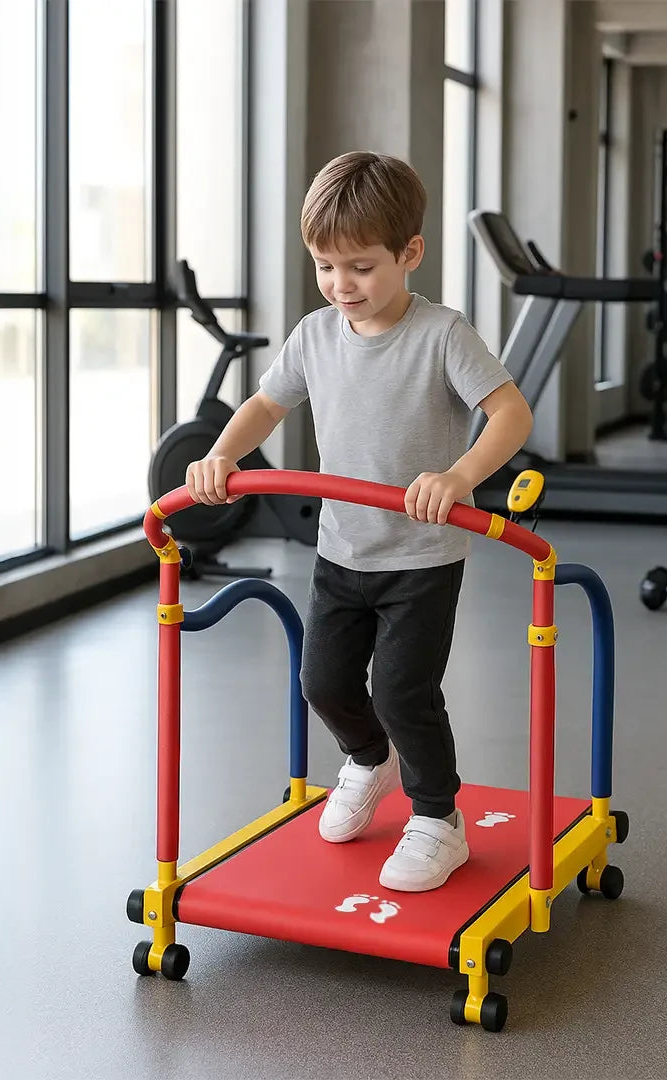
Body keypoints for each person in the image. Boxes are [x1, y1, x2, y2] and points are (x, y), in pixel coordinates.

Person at [185, 151, 533, 892]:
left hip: (421, 556)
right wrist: (220, 454)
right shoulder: (315, 335)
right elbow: (266, 406)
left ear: (410, 254)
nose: (341, 284)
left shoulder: (442, 334)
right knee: (323, 682)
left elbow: (511, 413)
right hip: (342, 550)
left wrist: (459, 476)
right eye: (325, 266)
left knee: (403, 692)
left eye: (361, 267)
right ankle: (370, 760)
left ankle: (439, 818)